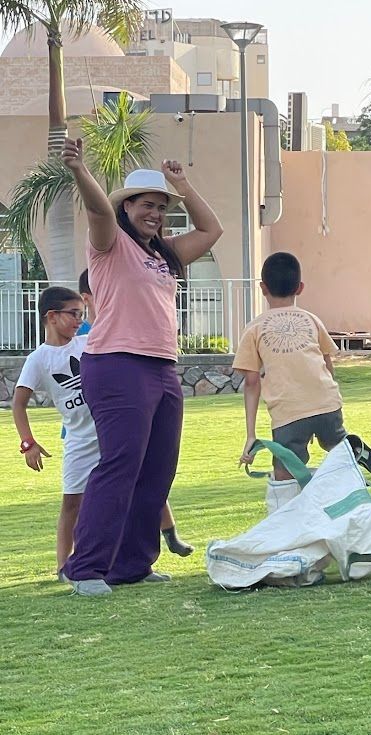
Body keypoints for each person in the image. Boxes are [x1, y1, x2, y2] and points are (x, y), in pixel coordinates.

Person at [59, 137, 222, 595]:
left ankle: (132, 565)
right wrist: (80, 170)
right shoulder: (110, 244)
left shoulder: (165, 254)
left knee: (157, 469)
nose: (155, 213)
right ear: (127, 206)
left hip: (162, 368)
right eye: (146, 204)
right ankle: (86, 568)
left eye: (161, 207)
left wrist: (181, 185)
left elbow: (211, 230)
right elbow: (98, 211)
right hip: (116, 364)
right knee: (121, 463)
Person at [236, 252, 371, 487]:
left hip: (289, 412)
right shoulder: (311, 320)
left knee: (285, 475)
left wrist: (251, 435)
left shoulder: (254, 329)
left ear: (262, 287)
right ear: (300, 288)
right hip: (327, 403)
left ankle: (295, 506)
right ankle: (349, 448)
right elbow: (327, 364)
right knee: (333, 442)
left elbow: (251, 382)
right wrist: (326, 400)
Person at [78, 267, 194, 557]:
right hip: (87, 432)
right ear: (88, 297)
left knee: (153, 471)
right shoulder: (90, 341)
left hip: (154, 370)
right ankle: (84, 564)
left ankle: (138, 560)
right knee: (116, 474)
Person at [12, 287, 99, 575]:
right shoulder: (38, 359)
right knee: (72, 503)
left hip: (109, 434)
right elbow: (18, 404)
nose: (79, 321)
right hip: (79, 442)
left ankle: (130, 559)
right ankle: (63, 565)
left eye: (82, 314)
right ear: (52, 316)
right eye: (74, 314)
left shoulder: (87, 342)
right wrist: (28, 443)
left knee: (126, 494)